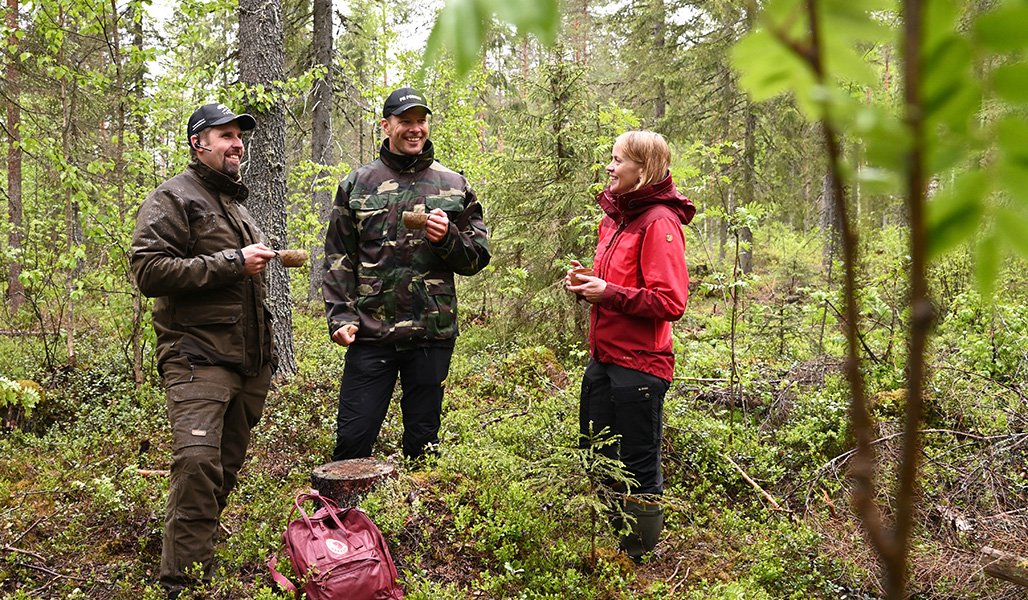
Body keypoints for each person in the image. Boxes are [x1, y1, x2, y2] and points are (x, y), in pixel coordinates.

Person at [130, 103, 278, 598]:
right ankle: (182, 585)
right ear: (199, 142)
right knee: (196, 464)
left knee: (221, 472)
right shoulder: (173, 198)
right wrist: (233, 261)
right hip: (197, 357)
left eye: (239, 136)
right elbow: (149, 272)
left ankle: (192, 550)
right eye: (226, 135)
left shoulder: (236, 206)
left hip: (249, 365)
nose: (237, 143)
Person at [323, 87, 490, 462]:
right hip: (370, 334)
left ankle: (414, 518)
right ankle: (343, 518)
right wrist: (341, 316)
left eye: (421, 121)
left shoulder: (454, 185)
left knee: (423, 447)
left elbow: (477, 258)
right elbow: (338, 256)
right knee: (352, 442)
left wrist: (448, 238)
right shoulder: (357, 184)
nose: (415, 129)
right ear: (386, 126)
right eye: (405, 122)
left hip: (431, 334)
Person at [565, 130, 694, 562]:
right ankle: (607, 539)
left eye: (618, 160)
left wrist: (611, 293)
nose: (610, 167)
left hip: (641, 365)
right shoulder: (617, 218)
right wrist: (588, 286)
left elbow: (671, 301)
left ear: (644, 168)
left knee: (638, 463)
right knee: (596, 448)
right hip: (604, 357)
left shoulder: (659, 221)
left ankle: (635, 556)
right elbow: (618, 285)